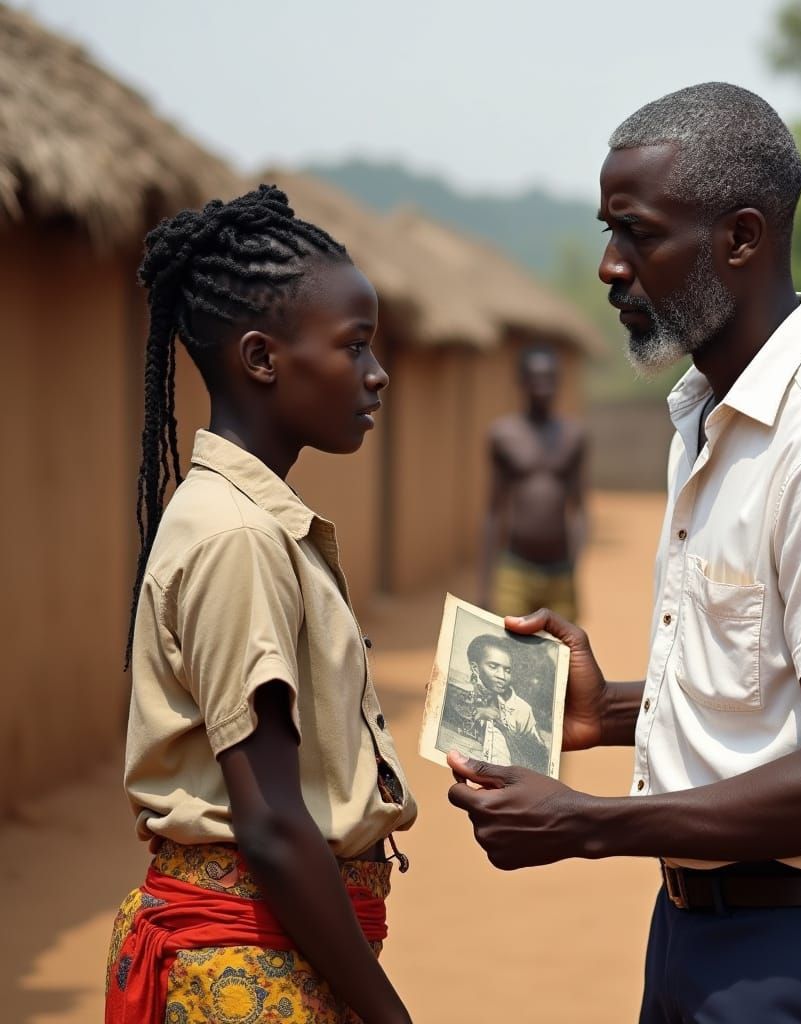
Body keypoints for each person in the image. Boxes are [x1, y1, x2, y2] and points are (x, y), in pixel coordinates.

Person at [448, 83, 801, 1023]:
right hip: (700, 935)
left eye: (638, 234)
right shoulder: (711, 428)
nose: (609, 266)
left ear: (743, 238)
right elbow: (777, 693)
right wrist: (614, 711)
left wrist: (587, 824)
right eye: (609, 232)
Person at [106, 186, 417, 1024]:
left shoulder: (249, 521)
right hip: (249, 971)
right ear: (261, 357)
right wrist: (388, 1015)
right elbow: (274, 821)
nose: (376, 373)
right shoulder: (238, 537)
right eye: (354, 347)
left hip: (274, 951)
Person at [478, 345, 586, 621]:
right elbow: (493, 511)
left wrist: (574, 571)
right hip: (515, 570)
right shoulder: (504, 436)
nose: (543, 386)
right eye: (536, 378)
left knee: (561, 658)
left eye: (550, 377)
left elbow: (579, 509)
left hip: (560, 571)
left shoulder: (573, 437)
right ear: (522, 381)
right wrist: (484, 586)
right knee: (510, 656)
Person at [465, 634, 548, 772]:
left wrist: (500, 723)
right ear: (475, 668)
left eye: (507, 670)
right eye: (493, 666)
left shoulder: (522, 709)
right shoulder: (461, 692)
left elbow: (539, 755)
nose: (502, 676)